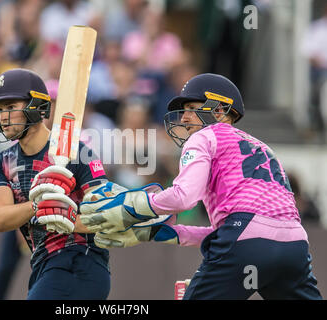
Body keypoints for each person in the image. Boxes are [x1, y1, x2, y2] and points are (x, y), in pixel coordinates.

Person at [79, 73, 323, 300]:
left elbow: (186, 198)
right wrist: (165, 232)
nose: (184, 118)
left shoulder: (204, 136)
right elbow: (254, 228)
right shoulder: (263, 147)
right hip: (295, 244)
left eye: (192, 109)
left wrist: (132, 207)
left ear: (219, 110)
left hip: (245, 242)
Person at [0, 68, 110, 300]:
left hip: (81, 261)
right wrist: (39, 204)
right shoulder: (1, 163)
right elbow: (0, 219)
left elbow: (106, 215)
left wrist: (67, 218)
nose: (2, 116)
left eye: (10, 107)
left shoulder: (77, 153)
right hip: (42, 266)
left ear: (36, 107)